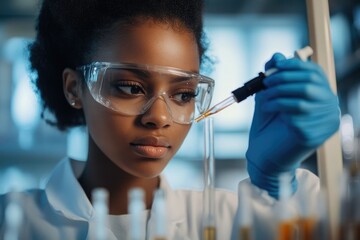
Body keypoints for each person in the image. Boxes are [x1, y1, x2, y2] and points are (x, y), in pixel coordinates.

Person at [0, 0, 340, 239]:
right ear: (75, 88)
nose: (160, 117)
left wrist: (274, 185)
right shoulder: (11, 222)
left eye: (183, 95)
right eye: (131, 87)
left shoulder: (227, 220)